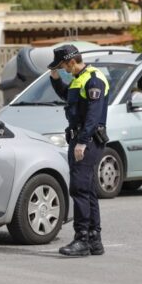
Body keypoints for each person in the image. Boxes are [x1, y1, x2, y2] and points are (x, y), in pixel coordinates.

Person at [48, 44, 109, 257]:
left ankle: (82, 239)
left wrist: (82, 142)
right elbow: (68, 96)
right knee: (88, 190)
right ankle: (94, 240)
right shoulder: (79, 79)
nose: (63, 69)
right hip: (80, 138)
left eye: (63, 66)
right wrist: (55, 78)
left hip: (88, 140)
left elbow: (93, 115)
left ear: (71, 61)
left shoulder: (94, 79)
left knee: (79, 189)